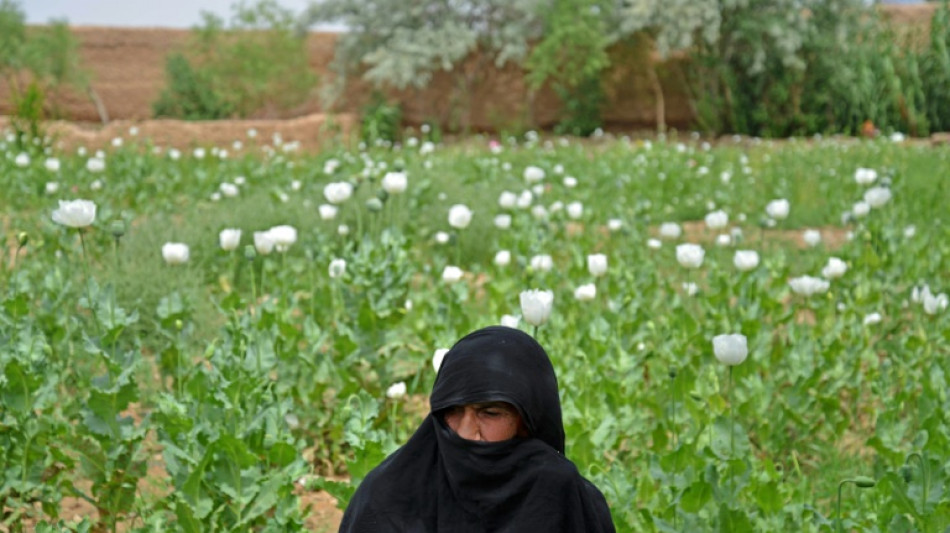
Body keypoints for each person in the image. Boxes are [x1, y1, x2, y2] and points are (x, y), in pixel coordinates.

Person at [339, 325, 616, 532]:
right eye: (453, 411)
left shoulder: (562, 495)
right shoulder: (389, 496)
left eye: (490, 413)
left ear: (527, 420)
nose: (466, 432)